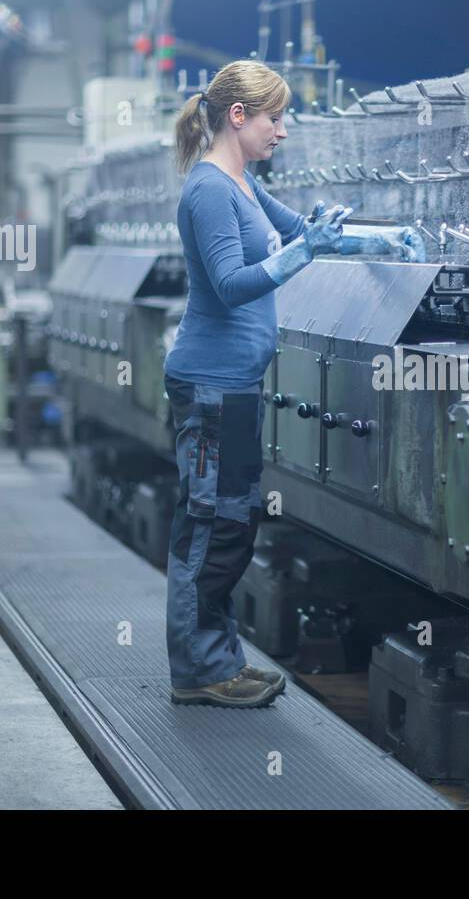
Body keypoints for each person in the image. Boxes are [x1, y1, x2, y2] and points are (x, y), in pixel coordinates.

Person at [163, 60, 418, 708]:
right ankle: (196, 672)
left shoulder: (243, 184)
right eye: (275, 119)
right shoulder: (209, 190)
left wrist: (381, 243)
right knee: (208, 527)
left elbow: (306, 234)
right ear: (239, 117)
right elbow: (230, 283)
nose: (283, 132)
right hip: (209, 387)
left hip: (237, 389)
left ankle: (219, 659)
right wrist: (302, 255)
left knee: (236, 526)